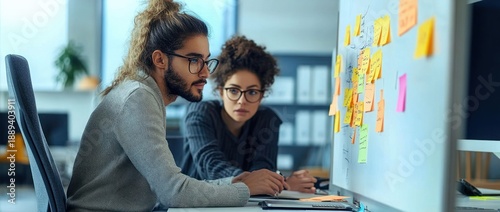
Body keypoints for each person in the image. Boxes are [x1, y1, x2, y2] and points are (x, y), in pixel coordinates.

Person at [66, 1, 287, 211]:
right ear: (160, 60)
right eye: (193, 60)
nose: (205, 73)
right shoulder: (138, 98)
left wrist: (236, 181)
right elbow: (173, 192)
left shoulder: (144, 94)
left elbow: (173, 186)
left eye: (206, 60)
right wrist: (245, 189)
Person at [180, 35, 318, 194]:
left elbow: (263, 169)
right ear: (220, 92)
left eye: (252, 92)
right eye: (233, 90)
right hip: (198, 202)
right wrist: (282, 183)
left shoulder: (268, 119)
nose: (242, 100)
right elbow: (211, 168)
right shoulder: (200, 113)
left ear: (261, 95)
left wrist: (272, 182)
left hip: (245, 204)